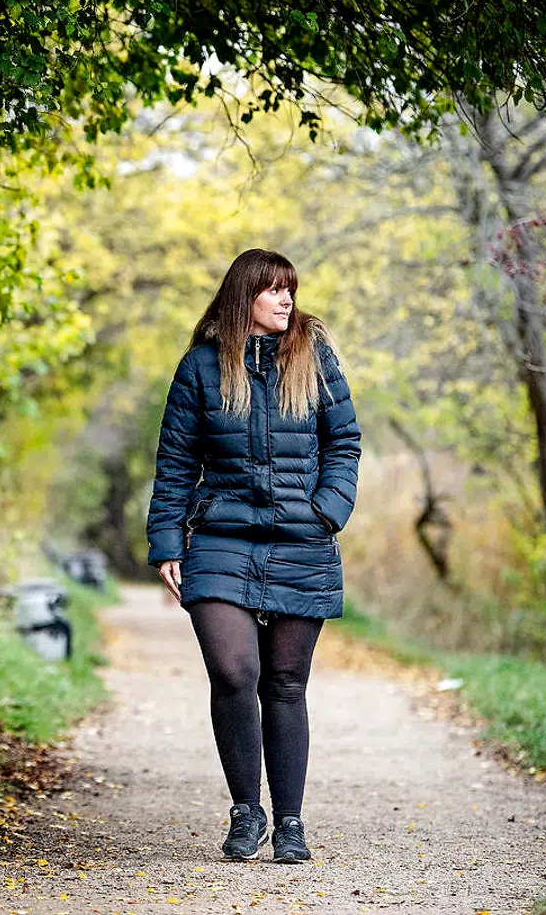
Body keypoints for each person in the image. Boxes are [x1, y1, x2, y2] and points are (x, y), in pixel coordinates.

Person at [145, 248, 362, 864]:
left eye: (290, 289)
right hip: (221, 540)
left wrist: (326, 511)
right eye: (272, 290)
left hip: (301, 540)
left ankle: (290, 824)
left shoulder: (316, 361)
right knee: (235, 673)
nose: (286, 300)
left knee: (287, 684)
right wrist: (166, 541)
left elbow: (344, 442)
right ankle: (247, 811)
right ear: (245, 298)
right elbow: (177, 463)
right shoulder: (202, 368)